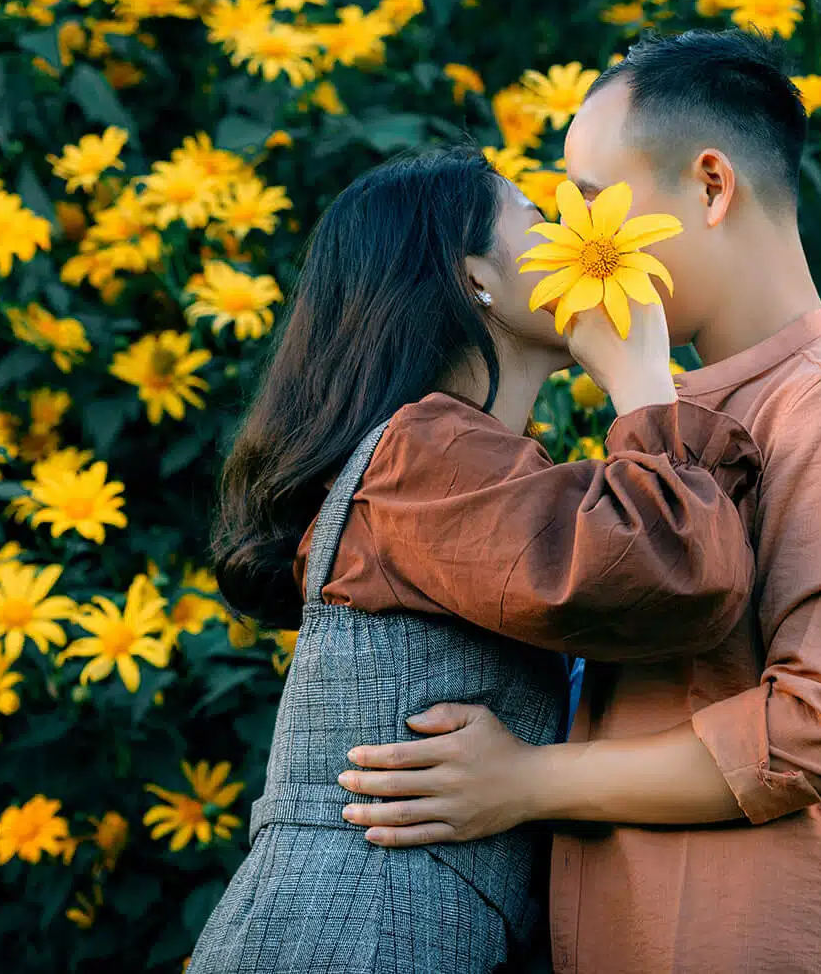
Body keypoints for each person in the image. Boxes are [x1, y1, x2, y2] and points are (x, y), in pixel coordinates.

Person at [338, 29, 821, 974]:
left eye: (589, 203)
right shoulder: (670, 420)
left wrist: (526, 781)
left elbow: (819, 729)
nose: (574, 243)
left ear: (710, 188)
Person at [189, 146, 761, 974]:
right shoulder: (421, 458)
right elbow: (675, 575)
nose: (573, 233)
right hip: (355, 937)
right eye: (536, 219)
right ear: (475, 281)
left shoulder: (456, 466)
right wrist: (643, 381)